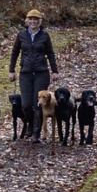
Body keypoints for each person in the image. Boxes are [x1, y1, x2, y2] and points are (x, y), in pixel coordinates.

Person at [8, 9, 57, 141]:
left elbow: (50, 53)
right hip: (25, 73)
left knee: (38, 105)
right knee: (26, 104)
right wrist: (11, 70)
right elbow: (15, 52)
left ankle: (36, 132)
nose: (33, 21)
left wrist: (54, 71)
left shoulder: (45, 36)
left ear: (39, 21)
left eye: (36, 19)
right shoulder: (21, 35)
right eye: (31, 19)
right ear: (27, 21)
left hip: (41, 73)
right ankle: (30, 124)